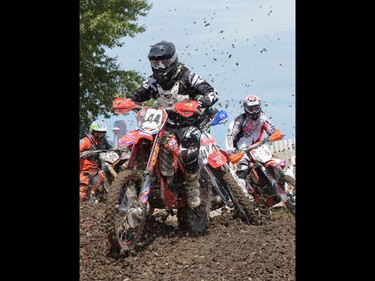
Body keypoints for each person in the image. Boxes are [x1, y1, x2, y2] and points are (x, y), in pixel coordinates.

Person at [124, 40, 219, 208]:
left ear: (173, 60)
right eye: (155, 63)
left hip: (187, 124)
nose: (160, 67)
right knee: (141, 141)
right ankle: (139, 179)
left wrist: (200, 104)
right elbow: (137, 94)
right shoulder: (153, 81)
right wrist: (127, 102)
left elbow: (212, 92)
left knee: (188, 150)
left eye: (165, 62)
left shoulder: (188, 76)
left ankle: (192, 186)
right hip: (163, 126)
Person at [225, 95, 277, 185]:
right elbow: (230, 135)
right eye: (251, 109)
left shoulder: (262, 118)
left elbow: (271, 129)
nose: (254, 112)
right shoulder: (240, 120)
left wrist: (275, 133)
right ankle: (242, 192)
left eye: (256, 108)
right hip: (242, 149)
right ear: (246, 108)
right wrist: (230, 149)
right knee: (243, 167)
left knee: (272, 158)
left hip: (258, 146)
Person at [79, 119, 112, 202]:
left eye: (102, 133)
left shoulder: (104, 143)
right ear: (92, 132)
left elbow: (112, 150)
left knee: (105, 174)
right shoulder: (86, 141)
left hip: (98, 171)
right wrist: (83, 154)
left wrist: (121, 150)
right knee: (82, 194)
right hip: (85, 172)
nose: (100, 136)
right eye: (98, 133)